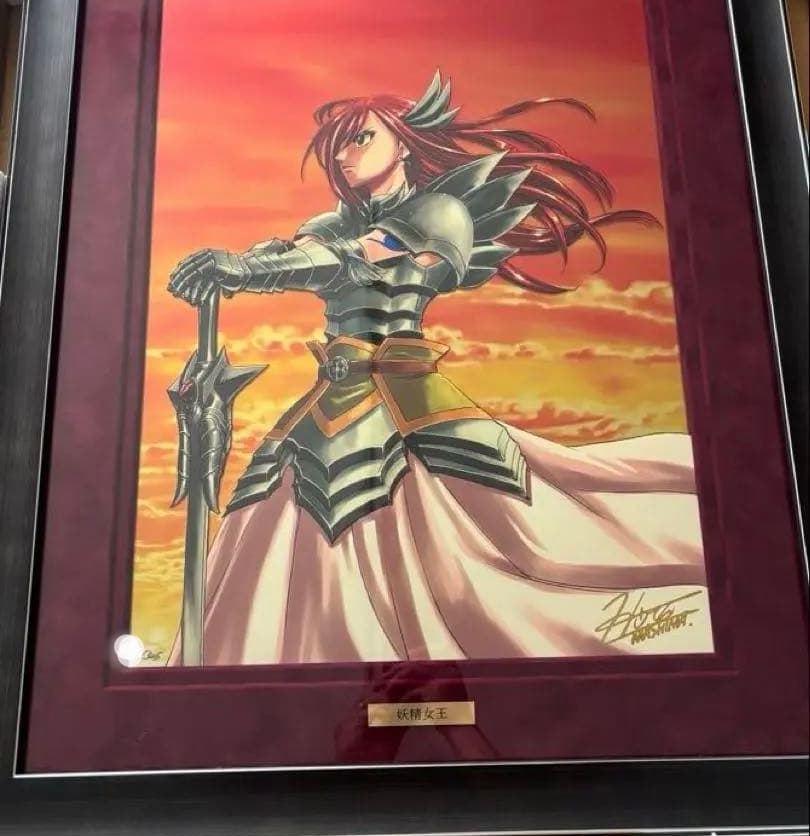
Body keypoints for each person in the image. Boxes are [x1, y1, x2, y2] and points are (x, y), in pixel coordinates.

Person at [168, 71, 708, 665]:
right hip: (331, 394)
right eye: (338, 146)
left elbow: (367, 256)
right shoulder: (328, 225)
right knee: (268, 515)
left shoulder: (440, 213)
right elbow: (300, 254)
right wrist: (232, 266)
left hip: (409, 395)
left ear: (402, 143)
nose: (345, 156)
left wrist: (250, 270)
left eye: (361, 138)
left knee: (486, 544)